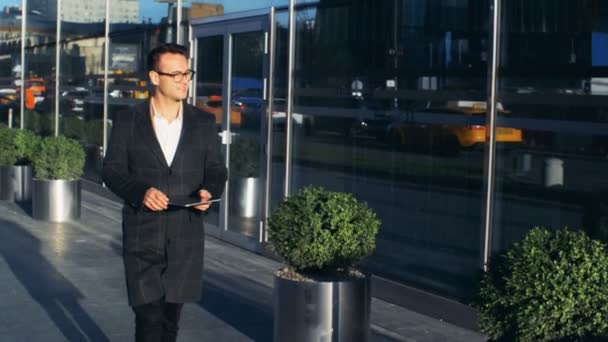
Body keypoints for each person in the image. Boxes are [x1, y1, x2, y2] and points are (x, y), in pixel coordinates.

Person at [102, 43, 227, 342]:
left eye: (187, 72)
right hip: (142, 233)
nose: (185, 80)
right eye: (176, 74)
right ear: (155, 77)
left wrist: (208, 191)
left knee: (170, 321)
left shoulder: (204, 122)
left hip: (185, 236)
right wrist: (141, 191)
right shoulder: (128, 121)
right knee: (148, 318)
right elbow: (112, 170)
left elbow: (216, 169)